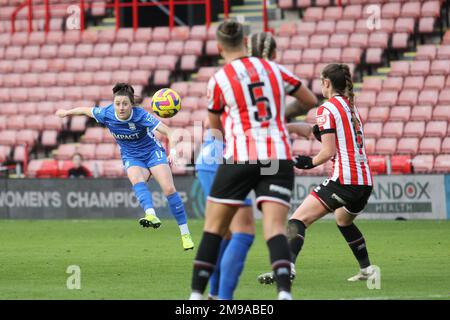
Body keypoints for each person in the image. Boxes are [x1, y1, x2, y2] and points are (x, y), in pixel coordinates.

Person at [189, 21, 317, 300]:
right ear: (246, 41)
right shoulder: (274, 69)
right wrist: (278, 117)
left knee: (214, 229)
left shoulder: (220, 79)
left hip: (239, 156)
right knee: (274, 230)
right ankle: (284, 293)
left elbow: (215, 129)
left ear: (219, 47)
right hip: (277, 158)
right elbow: (310, 100)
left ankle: (197, 296)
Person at [257, 63, 375, 285]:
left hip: (345, 180)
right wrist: (294, 128)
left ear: (327, 83)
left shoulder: (327, 108)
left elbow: (328, 151)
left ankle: (287, 268)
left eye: (321, 81)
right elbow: (335, 138)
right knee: (343, 220)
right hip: (365, 182)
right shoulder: (350, 108)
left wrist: (307, 162)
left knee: (297, 220)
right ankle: (367, 269)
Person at [55, 83, 195, 251]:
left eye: (125, 104)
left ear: (131, 104)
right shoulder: (106, 113)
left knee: (169, 189)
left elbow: (170, 132)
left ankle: (185, 233)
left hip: (152, 152)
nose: (121, 107)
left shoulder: (140, 115)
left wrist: (172, 151)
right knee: (136, 179)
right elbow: (85, 110)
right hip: (131, 156)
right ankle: (151, 214)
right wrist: (66, 113)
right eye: (117, 104)